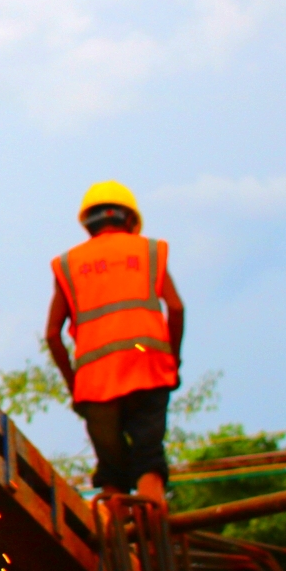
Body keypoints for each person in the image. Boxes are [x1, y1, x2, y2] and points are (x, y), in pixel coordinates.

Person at [44, 181, 185, 506]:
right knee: (149, 463)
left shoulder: (69, 264)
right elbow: (175, 308)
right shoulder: (149, 251)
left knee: (111, 476)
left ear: (88, 224)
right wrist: (172, 361)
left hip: (95, 383)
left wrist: (74, 384)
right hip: (149, 369)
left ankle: (115, 537)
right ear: (131, 221)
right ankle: (153, 535)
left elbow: (52, 334)